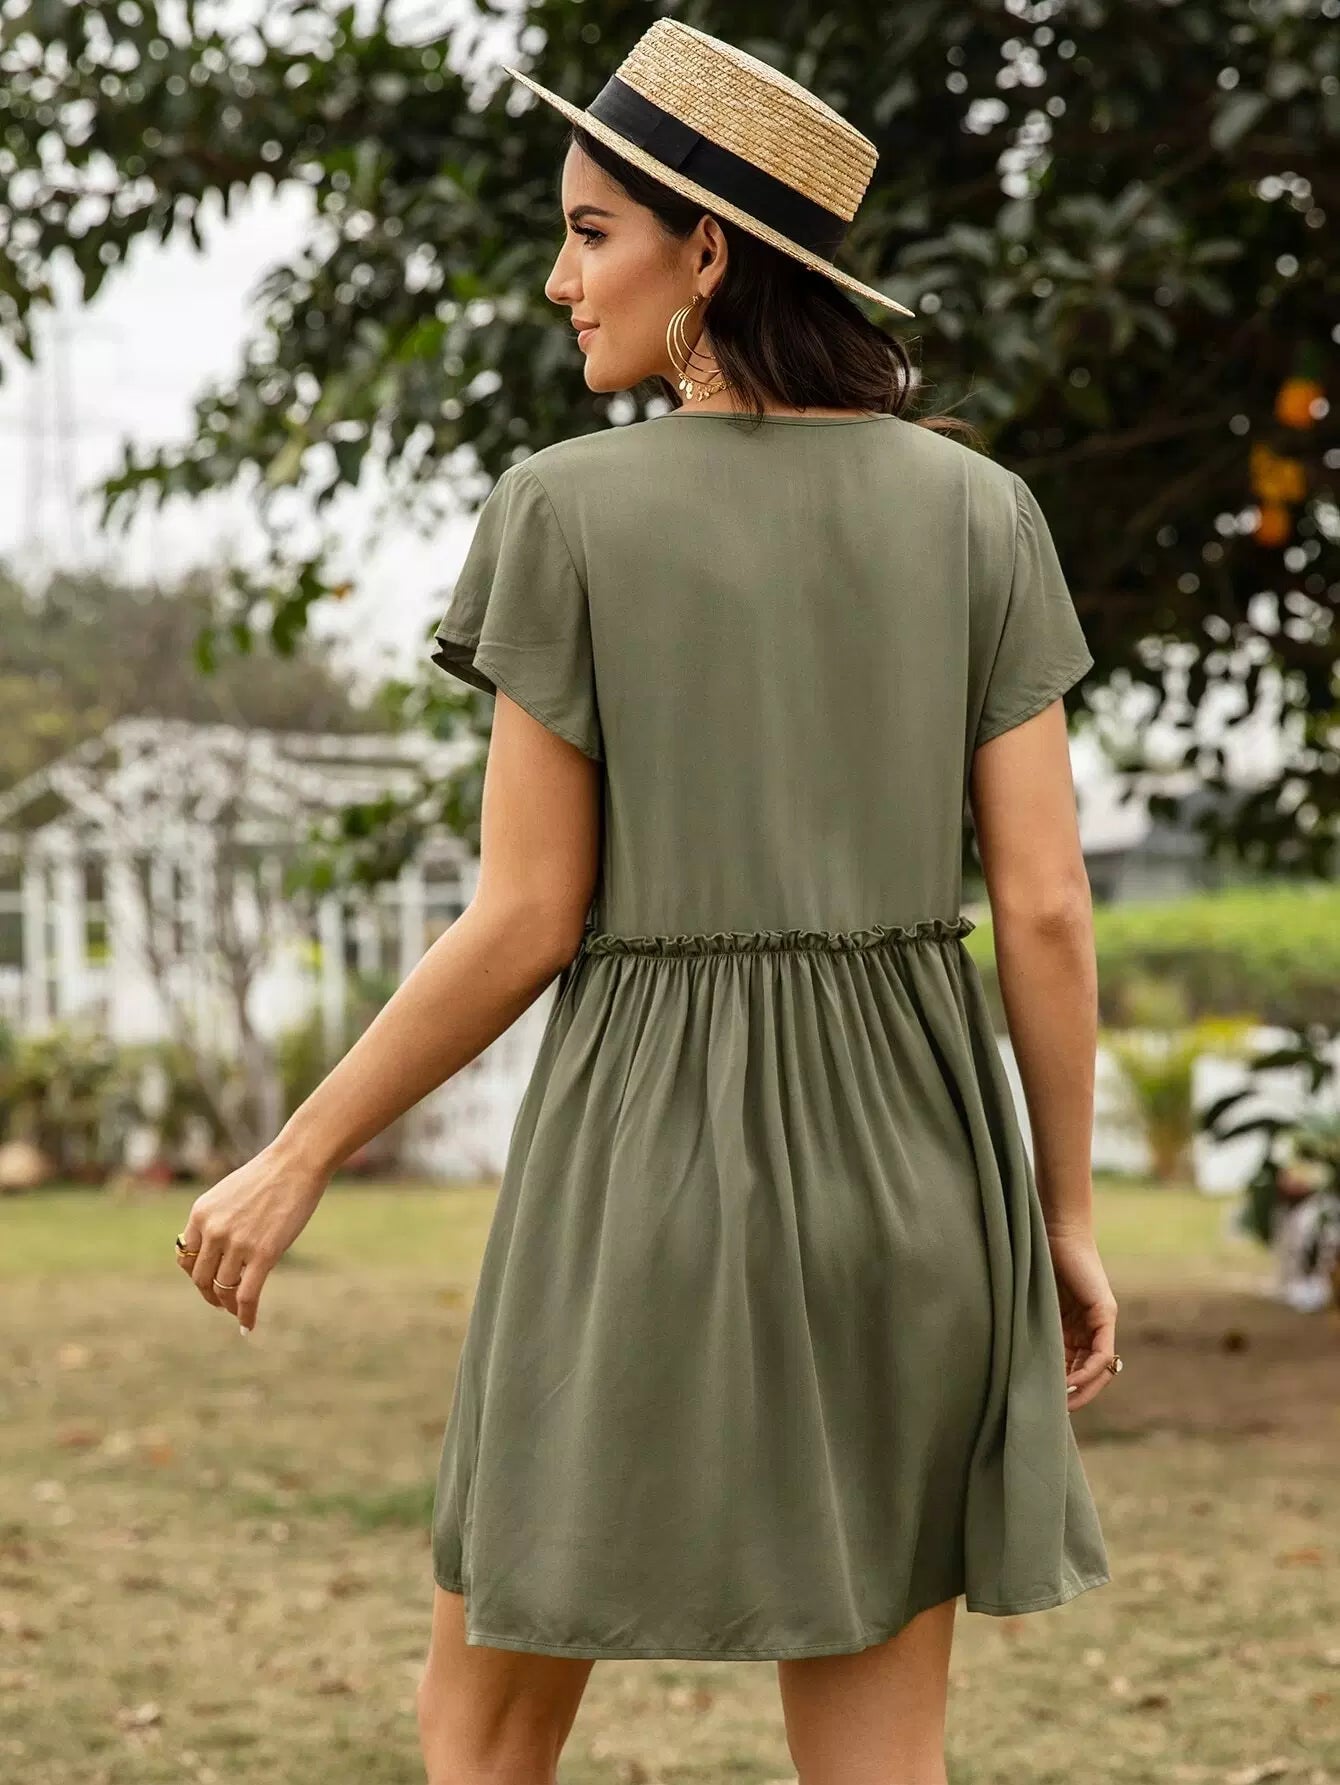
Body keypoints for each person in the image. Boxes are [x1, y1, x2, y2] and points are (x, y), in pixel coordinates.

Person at [173, 19, 1120, 1784]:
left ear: (710, 253)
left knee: (485, 1730)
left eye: (592, 230)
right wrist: (1061, 1216)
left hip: (641, 1166)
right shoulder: (984, 514)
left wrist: (296, 1154)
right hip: (921, 1175)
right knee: (879, 1752)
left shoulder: (563, 510)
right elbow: (1049, 909)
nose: (559, 278)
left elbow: (527, 915)